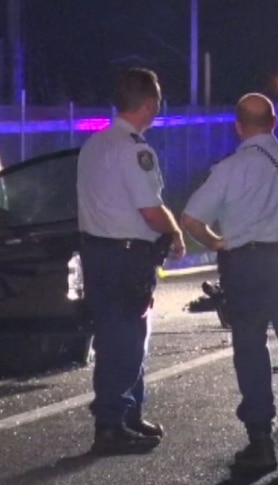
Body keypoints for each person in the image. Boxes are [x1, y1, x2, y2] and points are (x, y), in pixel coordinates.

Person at [76, 67, 186, 455]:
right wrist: (175, 233)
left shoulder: (94, 145)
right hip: (126, 257)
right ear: (151, 103)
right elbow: (151, 210)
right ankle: (111, 424)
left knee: (116, 336)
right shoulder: (135, 149)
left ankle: (128, 412)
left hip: (99, 253)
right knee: (125, 340)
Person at [181, 92, 278, 475]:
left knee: (251, 349)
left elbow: (190, 219)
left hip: (249, 265)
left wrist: (218, 243)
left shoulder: (228, 169)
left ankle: (262, 441)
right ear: (273, 123)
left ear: (239, 127)